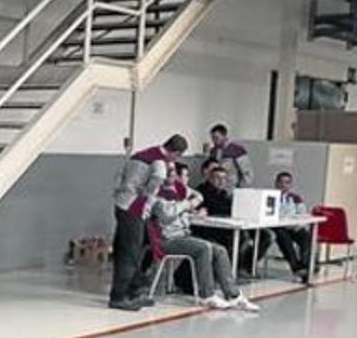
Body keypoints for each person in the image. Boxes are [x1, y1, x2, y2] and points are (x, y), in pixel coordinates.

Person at [152, 164, 259, 312]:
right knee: (204, 247)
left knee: (220, 250)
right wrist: (188, 204)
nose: (183, 179)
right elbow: (167, 214)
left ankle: (234, 295)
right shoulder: (157, 193)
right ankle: (207, 295)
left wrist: (192, 211)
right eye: (179, 175)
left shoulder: (179, 190)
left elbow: (198, 196)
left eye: (182, 175)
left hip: (183, 234)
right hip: (168, 239)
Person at [109, 134, 187, 311]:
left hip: (121, 204)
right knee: (129, 253)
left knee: (125, 248)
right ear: (175, 153)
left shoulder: (140, 154)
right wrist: (148, 204)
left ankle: (133, 291)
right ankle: (119, 297)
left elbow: (118, 177)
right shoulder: (159, 163)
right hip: (134, 208)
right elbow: (154, 188)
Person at [194, 165, 271, 275]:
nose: (221, 181)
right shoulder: (201, 191)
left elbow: (231, 209)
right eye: (217, 178)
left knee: (267, 235)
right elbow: (213, 207)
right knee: (241, 237)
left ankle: (246, 265)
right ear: (210, 178)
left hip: (231, 224)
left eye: (224, 179)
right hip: (212, 228)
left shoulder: (224, 193)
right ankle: (228, 270)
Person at [272, 171, 313, 283]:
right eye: (281, 182)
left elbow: (302, 213)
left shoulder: (295, 198)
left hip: (293, 226)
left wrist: (298, 225)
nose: (284, 185)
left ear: (291, 185)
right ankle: (296, 268)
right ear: (276, 183)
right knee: (284, 238)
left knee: (305, 237)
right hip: (277, 227)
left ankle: (304, 267)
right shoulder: (271, 197)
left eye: (287, 183)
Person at [207, 123, 254, 187]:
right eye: (212, 138)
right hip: (216, 186)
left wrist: (241, 189)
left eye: (216, 138)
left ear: (224, 136)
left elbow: (247, 173)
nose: (214, 141)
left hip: (232, 186)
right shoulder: (213, 151)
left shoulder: (237, 150)